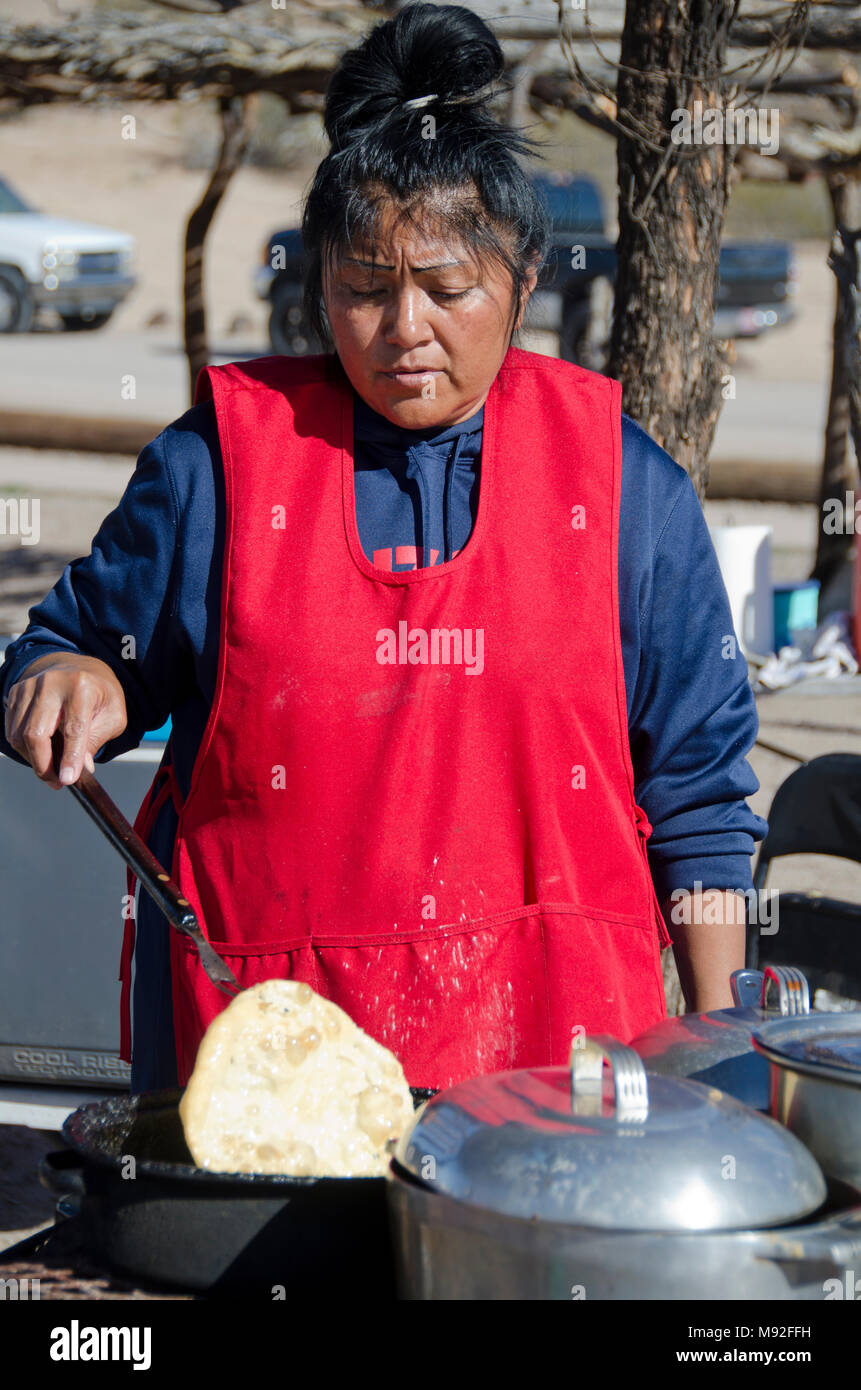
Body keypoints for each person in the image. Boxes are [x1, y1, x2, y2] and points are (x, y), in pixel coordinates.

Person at [0, 3, 766, 1093]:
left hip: (561, 1083)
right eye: (363, 287)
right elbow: (75, 650)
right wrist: (68, 677)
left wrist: (722, 1045)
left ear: (523, 280)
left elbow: (698, 790)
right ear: (318, 286)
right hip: (262, 1077)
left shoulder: (624, 487)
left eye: (447, 288)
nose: (405, 326)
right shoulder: (216, 469)